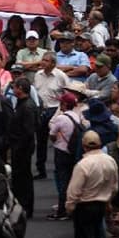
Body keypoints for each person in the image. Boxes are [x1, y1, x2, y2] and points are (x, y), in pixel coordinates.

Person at [65, 130, 118, 238]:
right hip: (101, 205)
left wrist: (70, 207)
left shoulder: (83, 165)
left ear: (84, 146)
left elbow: (74, 191)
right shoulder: (110, 161)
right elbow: (114, 187)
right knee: (99, 236)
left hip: (84, 207)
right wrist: (108, 201)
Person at [47, 92, 82, 220]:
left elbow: (52, 134)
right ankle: (71, 208)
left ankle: (62, 210)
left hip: (62, 152)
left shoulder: (61, 118)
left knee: (62, 182)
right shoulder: (76, 116)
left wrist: (55, 139)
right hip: (73, 152)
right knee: (72, 181)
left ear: (65, 104)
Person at [9, 77, 38, 217]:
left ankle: (25, 207)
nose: (12, 89)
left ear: (20, 89)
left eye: (14, 87)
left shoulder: (26, 107)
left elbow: (28, 132)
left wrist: (18, 148)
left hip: (22, 149)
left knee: (23, 179)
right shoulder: (23, 104)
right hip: (20, 148)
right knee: (21, 178)